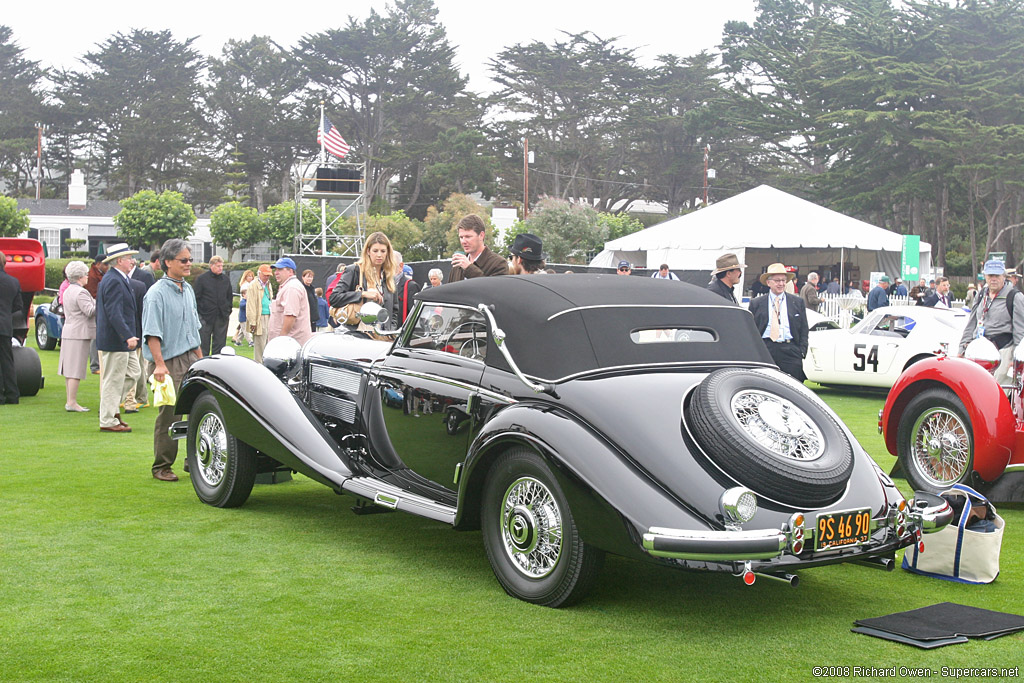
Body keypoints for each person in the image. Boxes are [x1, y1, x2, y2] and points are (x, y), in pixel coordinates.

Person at [143, 238, 202, 482]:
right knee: (170, 415)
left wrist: (201, 359)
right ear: (167, 262)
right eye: (184, 260)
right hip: (168, 361)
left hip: (190, 357)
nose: (189, 264)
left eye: (190, 259)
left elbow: (194, 328)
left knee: (198, 409)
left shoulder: (187, 289)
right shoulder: (155, 294)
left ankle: (194, 460)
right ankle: (162, 466)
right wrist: (159, 364)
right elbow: (152, 333)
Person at [95, 243, 142, 433]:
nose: (133, 261)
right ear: (120, 260)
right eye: (129, 258)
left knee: (134, 373)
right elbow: (114, 312)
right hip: (117, 341)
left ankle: (111, 409)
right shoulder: (114, 280)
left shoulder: (117, 278)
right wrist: (127, 335)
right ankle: (108, 419)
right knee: (113, 380)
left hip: (120, 340)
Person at [959, 259, 1024, 387]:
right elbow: (971, 323)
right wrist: (961, 349)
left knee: (996, 391)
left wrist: (1016, 360)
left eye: (997, 276)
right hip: (979, 352)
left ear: (1004, 276)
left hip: (1003, 352)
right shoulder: (981, 294)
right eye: (990, 276)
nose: (993, 279)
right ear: (985, 276)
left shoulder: (1014, 297)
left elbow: (1020, 330)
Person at [330, 231, 399, 333]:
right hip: (357, 334)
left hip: (382, 337)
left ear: (388, 252)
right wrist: (362, 294)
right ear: (368, 251)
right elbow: (334, 298)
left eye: (383, 251)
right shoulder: (354, 270)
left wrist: (390, 331)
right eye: (375, 251)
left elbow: (394, 311)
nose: (379, 255)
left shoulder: (389, 277)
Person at [749, 263, 808, 381]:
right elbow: (751, 329)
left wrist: (801, 350)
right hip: (766, 348)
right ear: (768, 282)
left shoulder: (797, 302)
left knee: (794, 386)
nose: (781, 284)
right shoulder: (757, 303)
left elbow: (803, 328)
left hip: (790, 349)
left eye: (783, 280)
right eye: (777, 281)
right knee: (764, 383)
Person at [58, 260, 96, 410]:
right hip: (79, 332)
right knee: (75, 369)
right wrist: (99, 303)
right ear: (80, 276)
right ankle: (71, 402)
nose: (87, 277)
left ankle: (70, 400)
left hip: (69, 330)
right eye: (86, 274)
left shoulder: (67, 290)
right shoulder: (80, 292)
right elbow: (89, 311)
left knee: (70, 368)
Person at [193, 255, 233, 356]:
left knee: (219, 345)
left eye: (221, 266)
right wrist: (200, 314)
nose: (221, 268)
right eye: (218, 266)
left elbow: (229, 296)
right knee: (203, 345)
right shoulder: (202, 279)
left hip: (221, 316)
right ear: (211, 266)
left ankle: (217, 366)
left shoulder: (225, 280)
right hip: (206, 317)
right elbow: (196, 298)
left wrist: (228, 310)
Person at [447, 214, 507, 282]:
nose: (463, 241)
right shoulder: (457, 266)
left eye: (468, 237)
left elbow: (494, 290)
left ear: (481, 235)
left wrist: (469, 268)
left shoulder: (498, 264)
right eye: (461, 237)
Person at [268, 258, 312, 346]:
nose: (276, 273)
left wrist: (281, 340)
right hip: (289, 343)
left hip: (290, 345)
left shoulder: (292, 288)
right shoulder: (288, 286)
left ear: (290, 271)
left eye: (280, 269)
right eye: (275, 270)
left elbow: (290, 316)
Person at [0, 251, 24, 405]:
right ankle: (12, 394)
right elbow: (18, 306)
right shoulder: (13, 282)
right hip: (5, 324)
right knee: (7, 360)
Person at [246, 264, 274, 363]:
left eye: (269, 275)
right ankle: (259, 366)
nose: (267, 277)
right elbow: (250, 305)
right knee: (260, 346)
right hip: (259, 318)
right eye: (265, 275)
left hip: (269, 316)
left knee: (268, 344)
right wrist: (253, 322)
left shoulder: (268, 284)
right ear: (259, 273)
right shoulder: (253, 285)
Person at [85, 254, 107, 374]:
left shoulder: (99, 274)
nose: (107, 267)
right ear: (98, 264)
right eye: (105, 264)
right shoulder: (92, 276)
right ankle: (95, 366)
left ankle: (98, 364)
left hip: (99, 306)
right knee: (95, 337)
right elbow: (94, 294)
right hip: (95, 307)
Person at [392, 252, 420, 323]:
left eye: (390, 265)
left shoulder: (411, 286)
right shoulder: (380, 286)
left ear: (401, 266)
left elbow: (415, 318)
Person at [233, 269, 255, 345]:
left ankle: (238, 341)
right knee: (245, 329)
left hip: (248, 311)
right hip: (244, 314)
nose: (251, 278)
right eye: (249, 276)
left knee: (243, 329)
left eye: (252, 276)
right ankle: (250, 341)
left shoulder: (250, 284)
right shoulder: (245, 285)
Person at [301, 269, 318, 333]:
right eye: (308, 276)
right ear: (303, 277)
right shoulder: (302, 288)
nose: (309, 279)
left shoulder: (312, 289)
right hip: (305, 319)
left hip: (313, 319)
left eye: (311, 277)